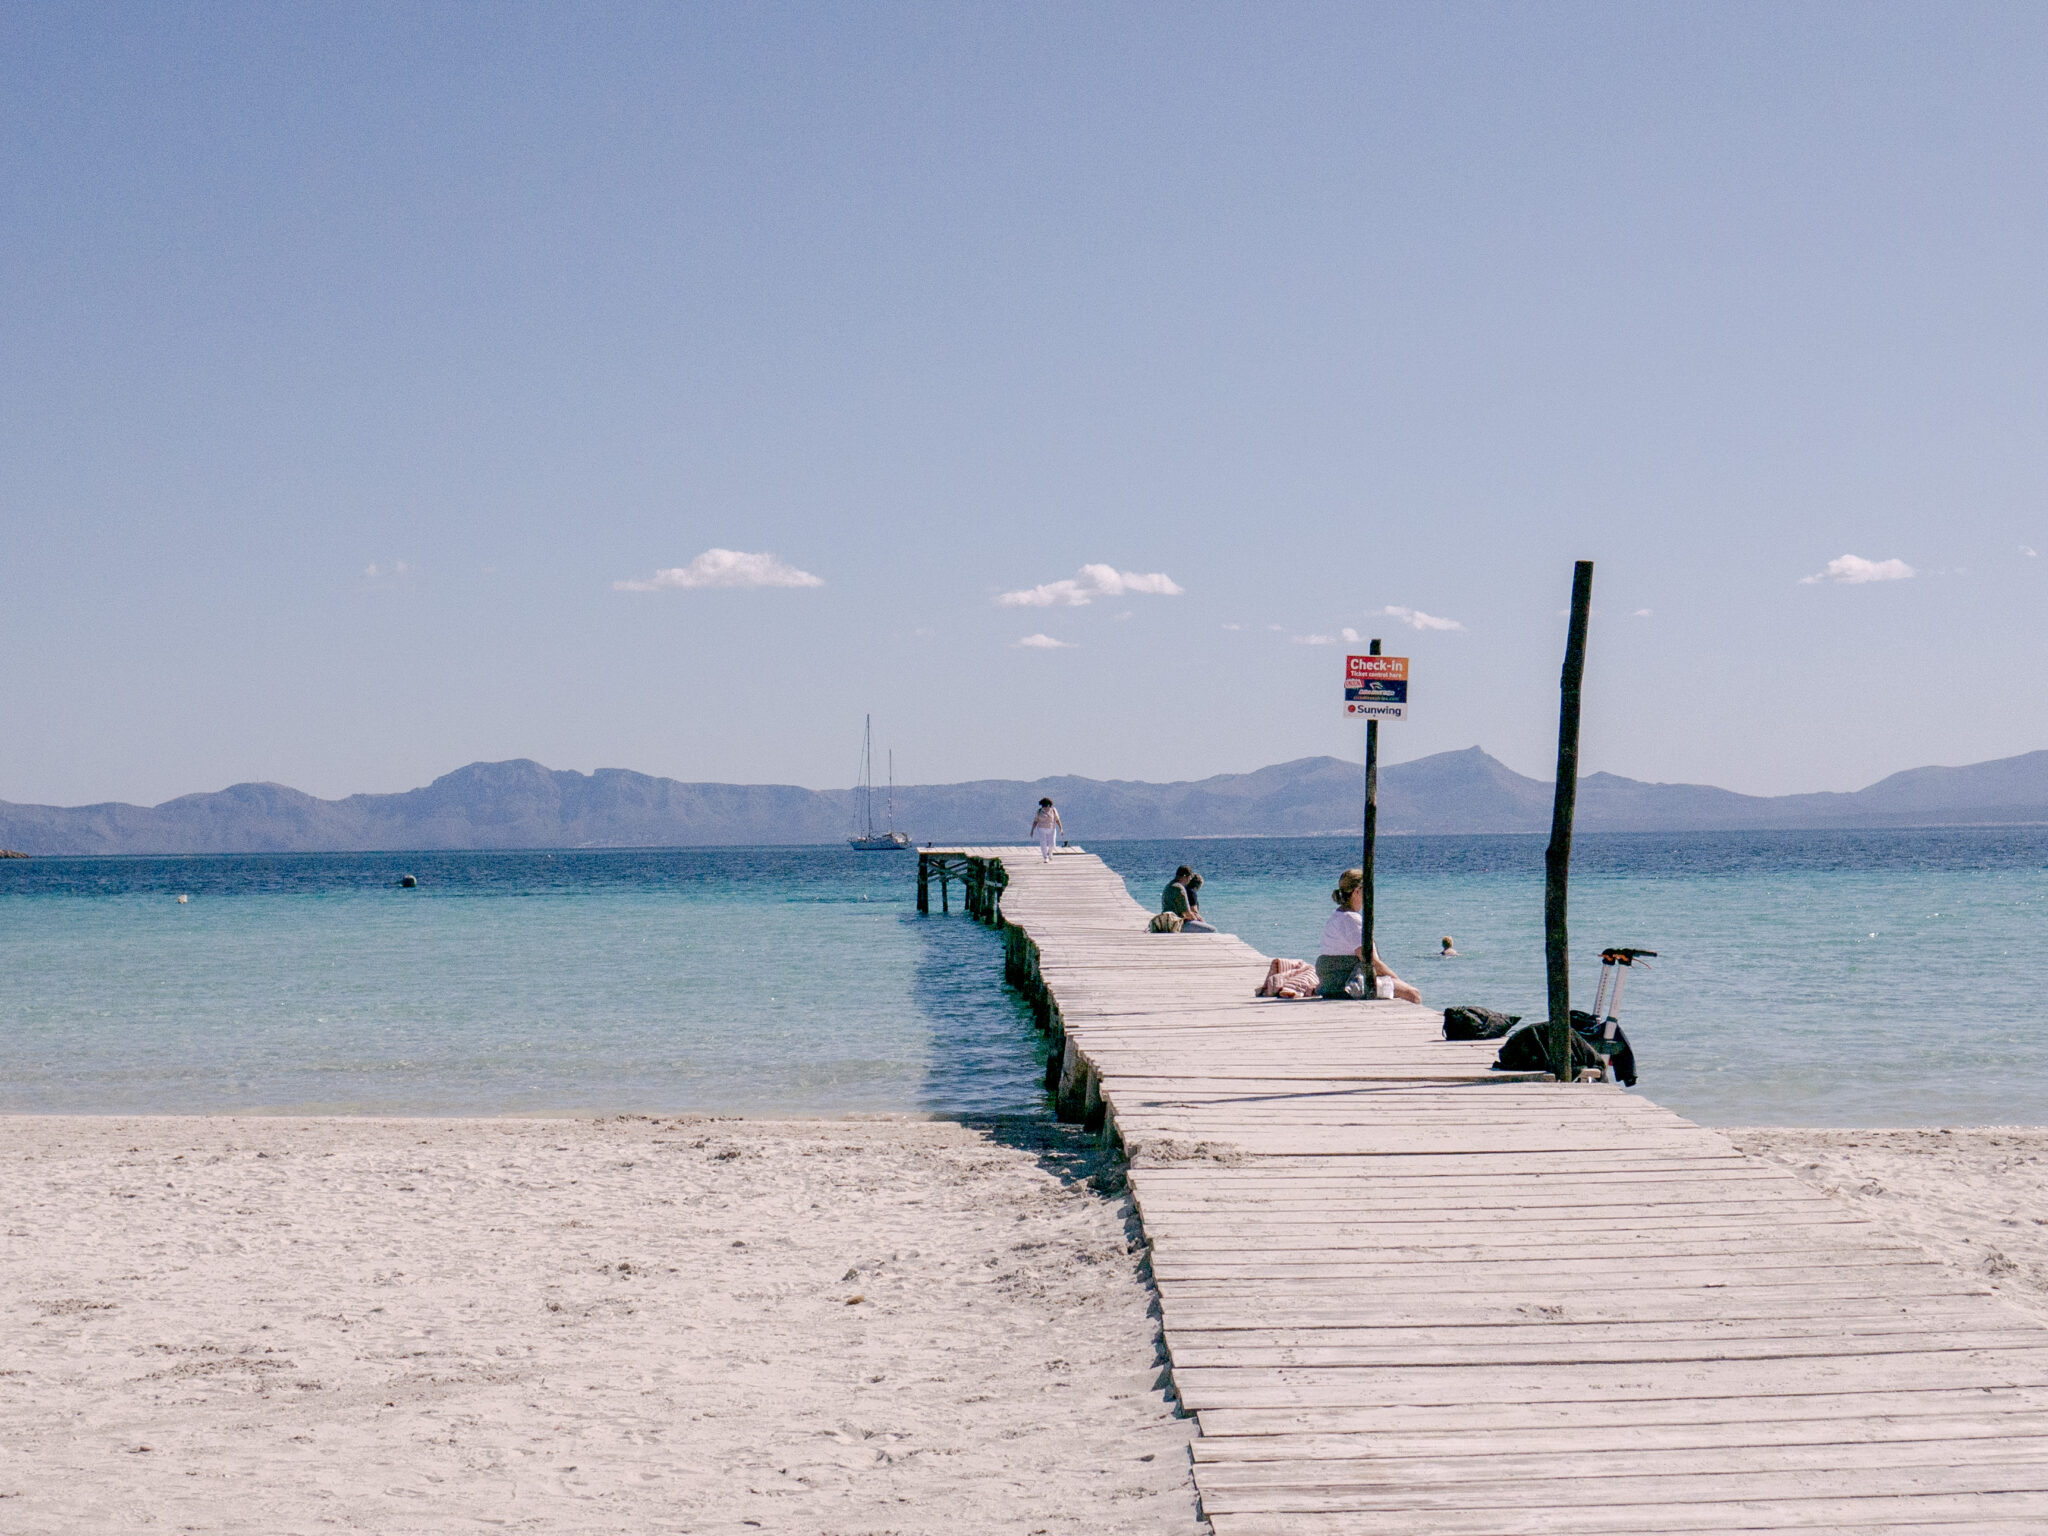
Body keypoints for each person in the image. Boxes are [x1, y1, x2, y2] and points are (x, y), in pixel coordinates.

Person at [1316, 868, 1420, 1002]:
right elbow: (1372, 961)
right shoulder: (1352, 920)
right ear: (1357, 891)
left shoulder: (1336, 917)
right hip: (1351, 984)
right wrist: (1396, 979)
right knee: (1413, 994)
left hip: (1332, 984)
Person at [1162, 868, 1217, 934]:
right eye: (1189, 878)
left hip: (1166, 922)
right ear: (1185, 876)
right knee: (1212, 930)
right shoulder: (1179, 888)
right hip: (1177, 924)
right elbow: (1187, 913)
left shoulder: (1169, 885)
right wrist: (1199, 920)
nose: (1190, 880)